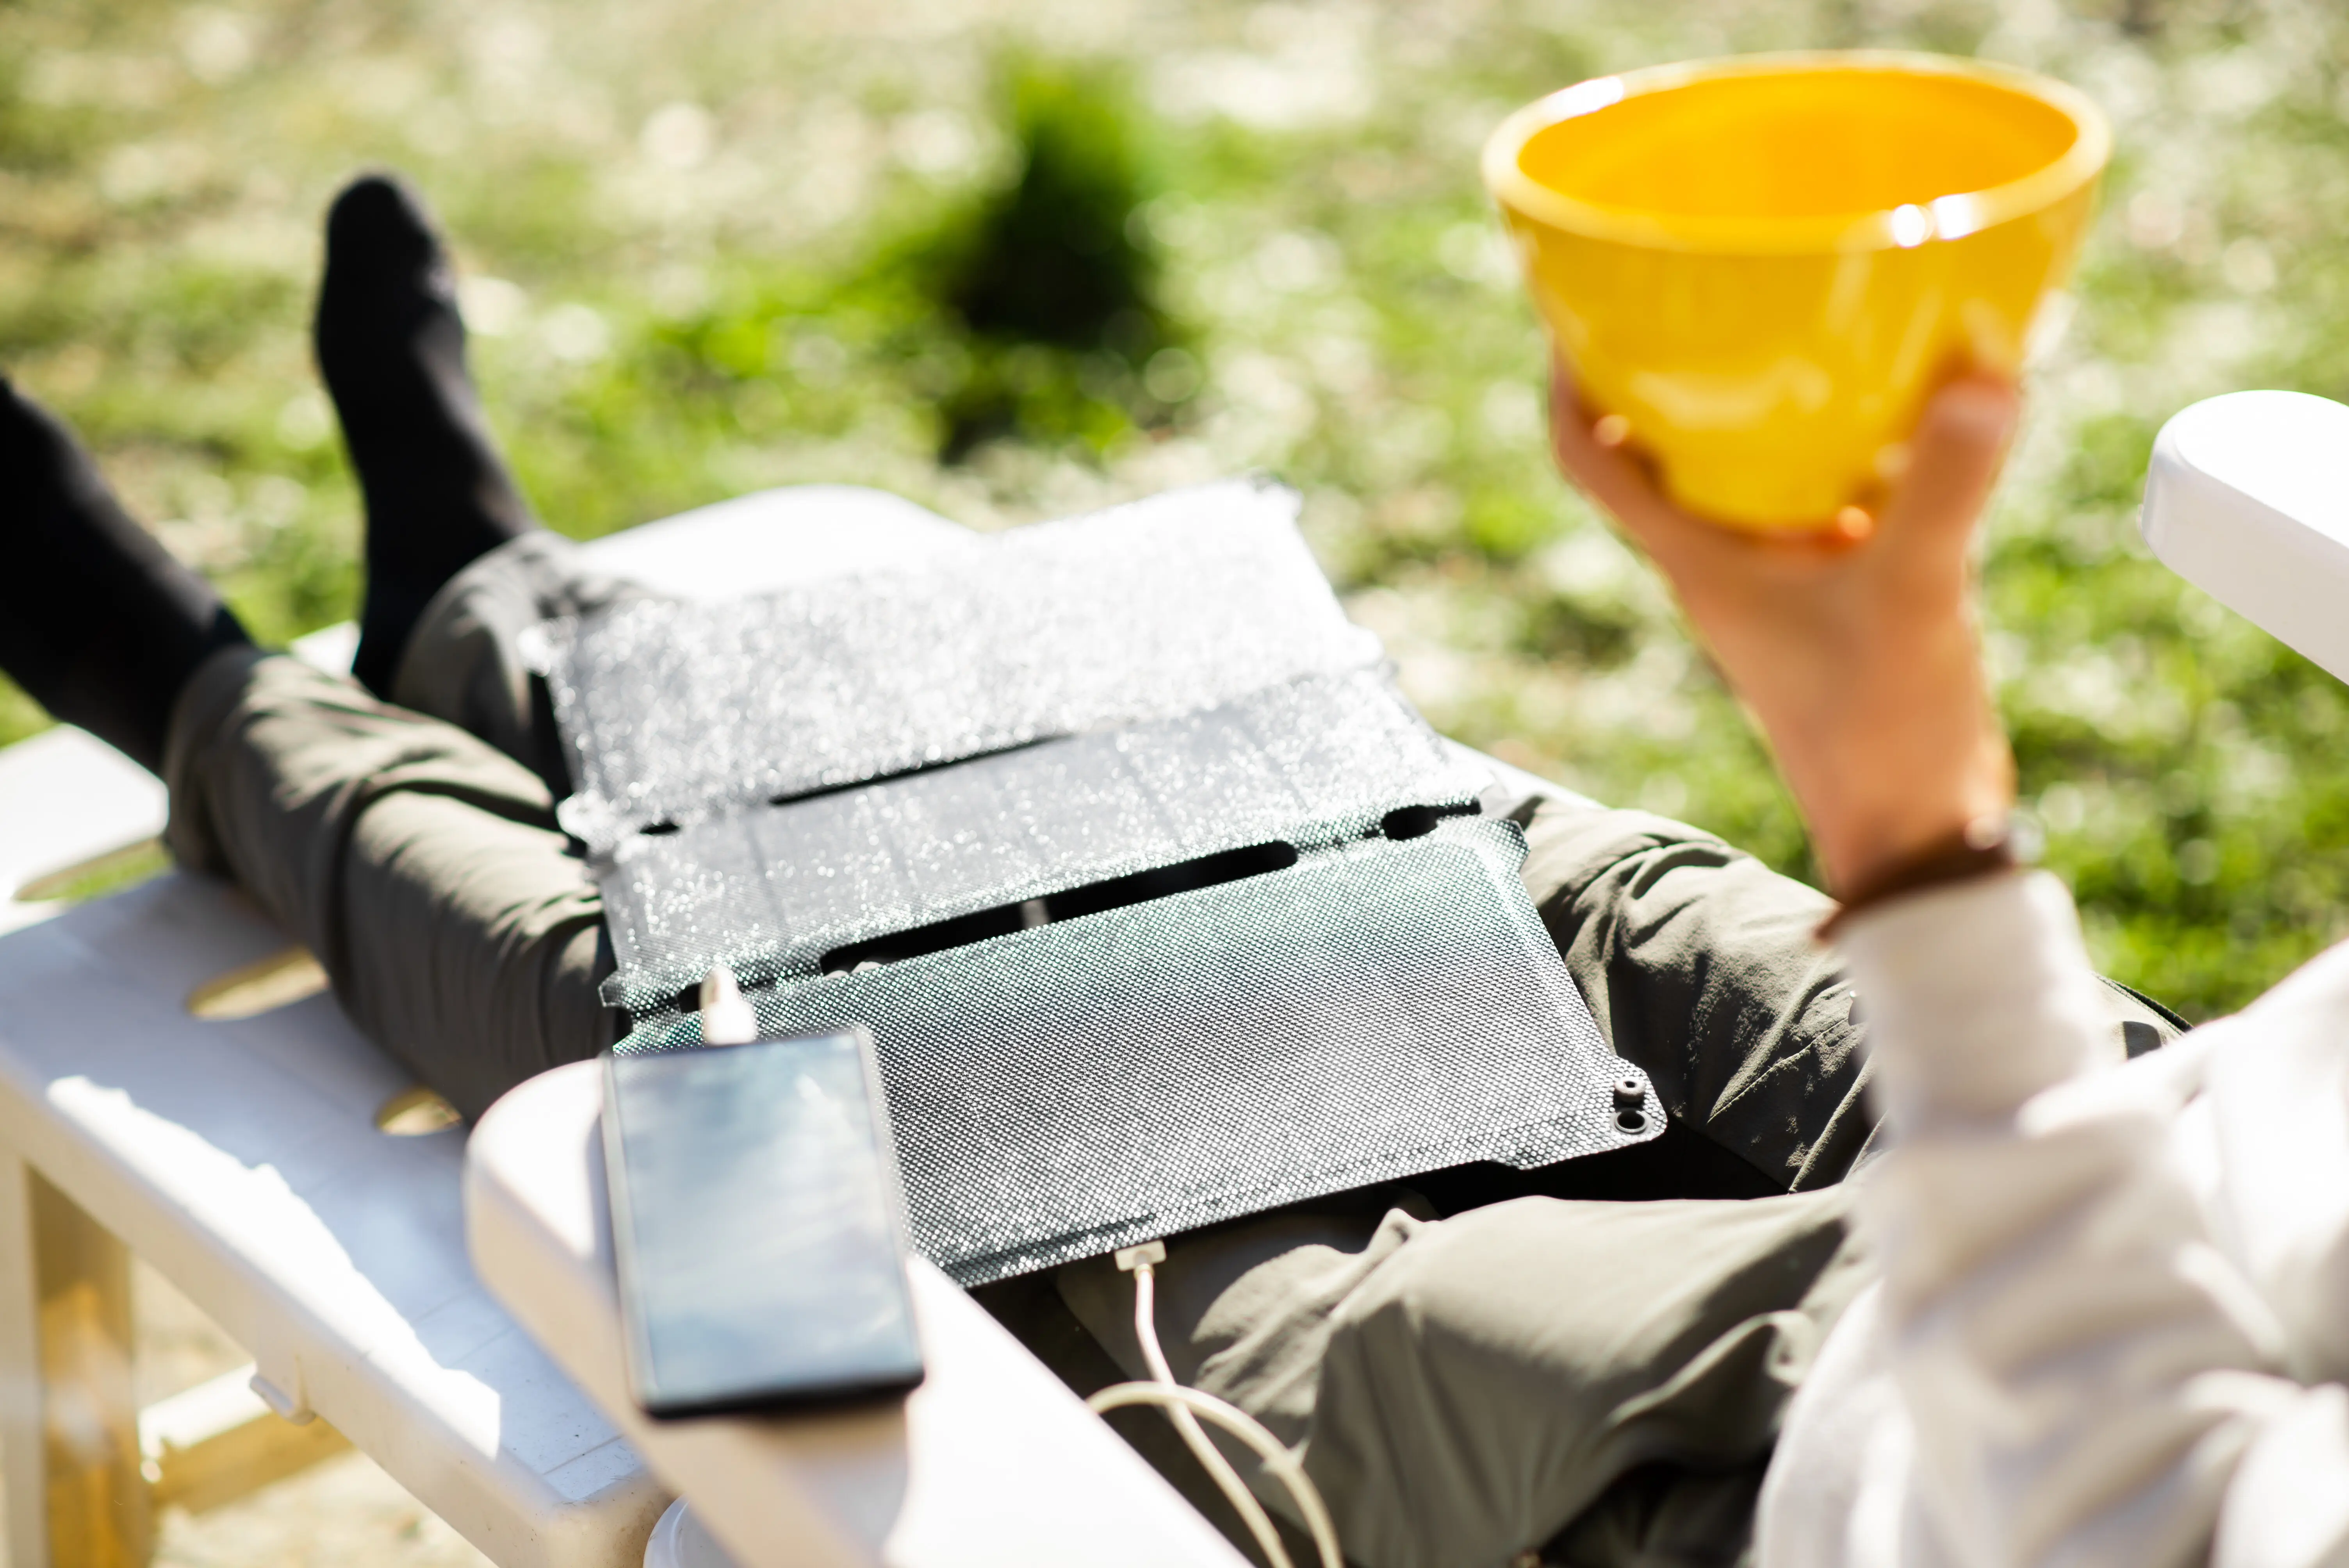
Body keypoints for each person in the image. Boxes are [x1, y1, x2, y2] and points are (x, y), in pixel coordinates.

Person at [0, 172, 2189, 1568]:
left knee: (832, 1045)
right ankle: (488, 622)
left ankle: (195, 687)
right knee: (1410, 837)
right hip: (2150, 1193)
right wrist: (1918, 811)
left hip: (1686, 1469)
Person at [1549, 362, 2349, 1566]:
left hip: (1883, 1485)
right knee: (1491, 868)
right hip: (2157, 1122)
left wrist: (1913, 829)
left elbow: (2114, 1515)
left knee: (1249, 1326)